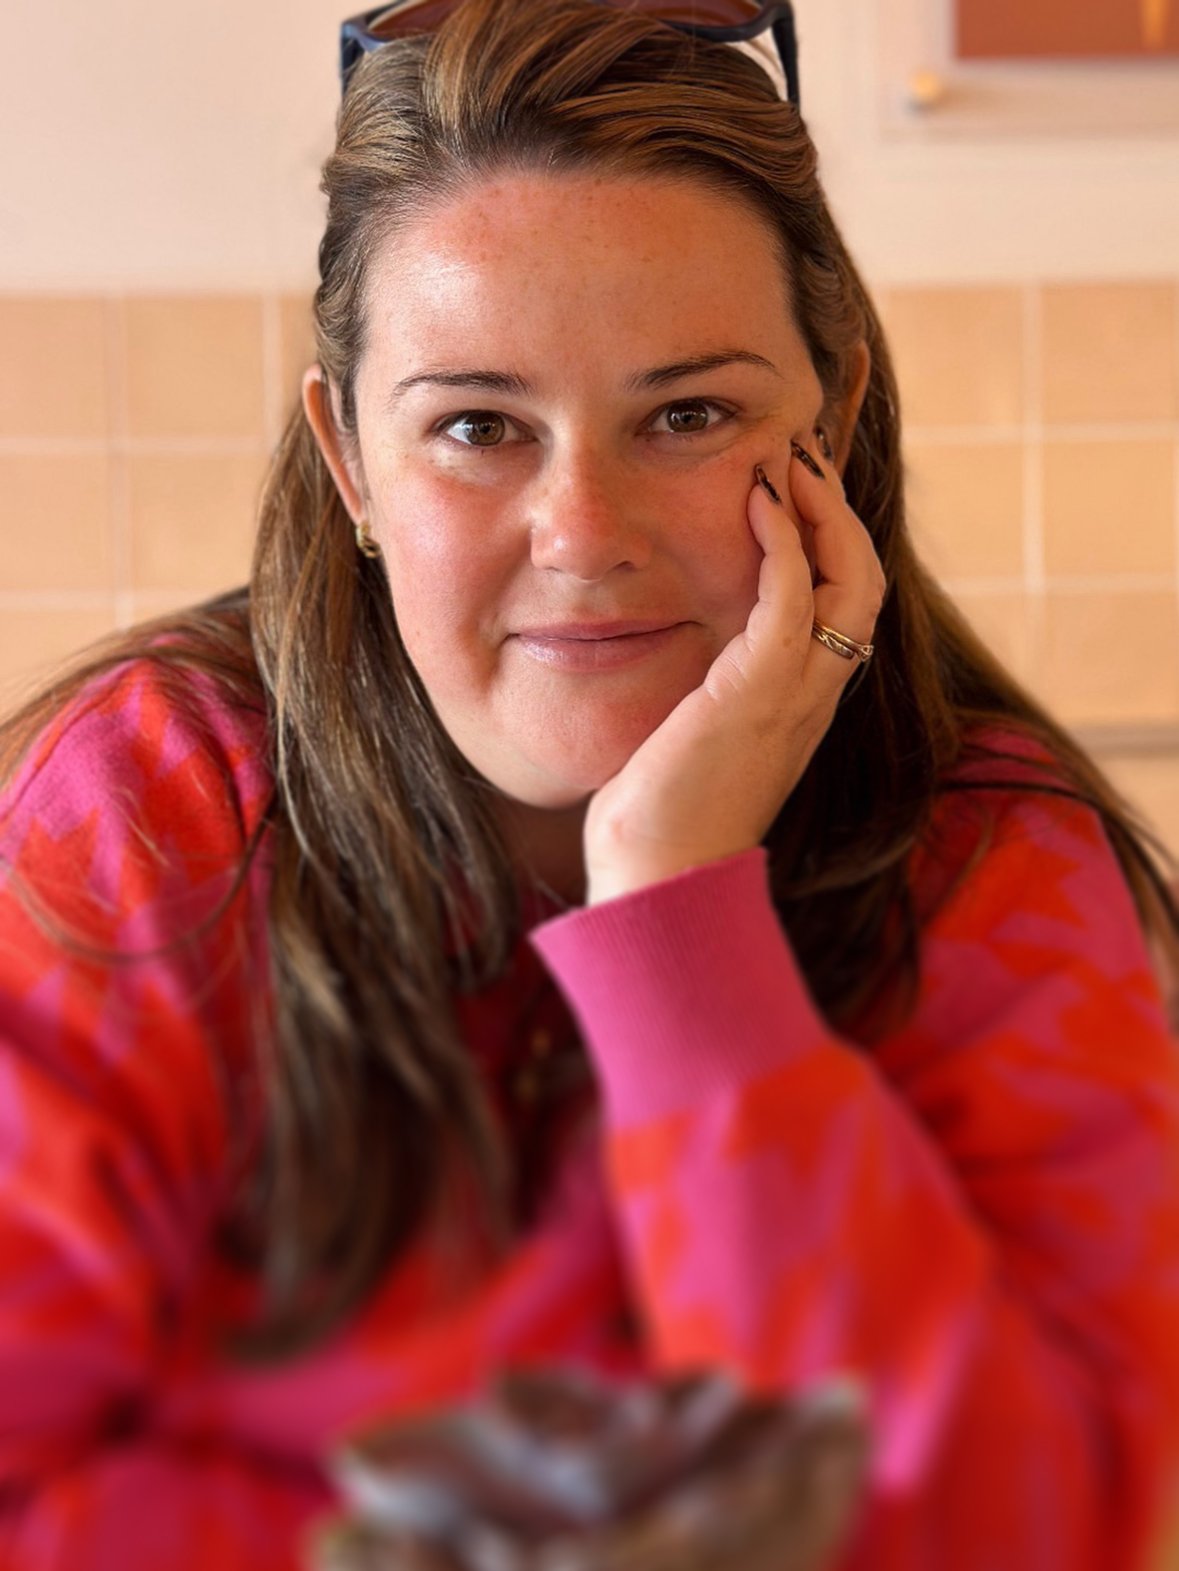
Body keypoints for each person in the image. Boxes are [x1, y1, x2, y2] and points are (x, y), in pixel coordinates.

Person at [1, 0, 1177, 1566]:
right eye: (478, 427)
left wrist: (681, 918)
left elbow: (1020, 1531)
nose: (580, 531)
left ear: (823, 414)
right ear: (350, 459)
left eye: (686, 414)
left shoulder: (983, 847)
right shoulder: (154, 805)